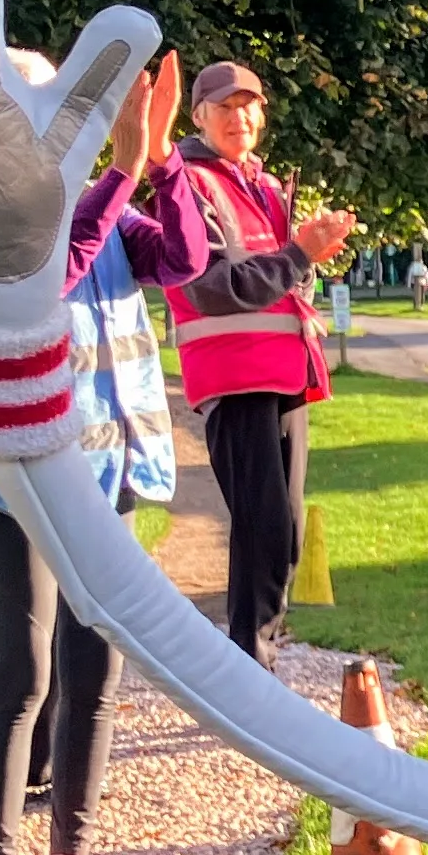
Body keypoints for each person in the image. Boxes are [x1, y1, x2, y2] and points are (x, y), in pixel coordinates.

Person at [0, 62, 203, 855]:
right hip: (5, 478)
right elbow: (43, 274)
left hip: (100, 470)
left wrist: (161, 165)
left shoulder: (103, 201)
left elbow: (184, 258)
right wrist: (123, 167)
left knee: (96, 671)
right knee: (23, 672)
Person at [159, 59, 351, 661]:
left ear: (262, 115)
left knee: (284, 533)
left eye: (249, 105)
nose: (238, 116)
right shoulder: (189, 183)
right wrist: (300, 252)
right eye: (224, 107)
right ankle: (251, 663)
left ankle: (258, 653)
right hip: (234, 376)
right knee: (262, 528)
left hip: (284, 373)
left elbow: (282, 280)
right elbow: (210, 286)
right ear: (199, 118)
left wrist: (311, 254)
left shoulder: (264, 185)